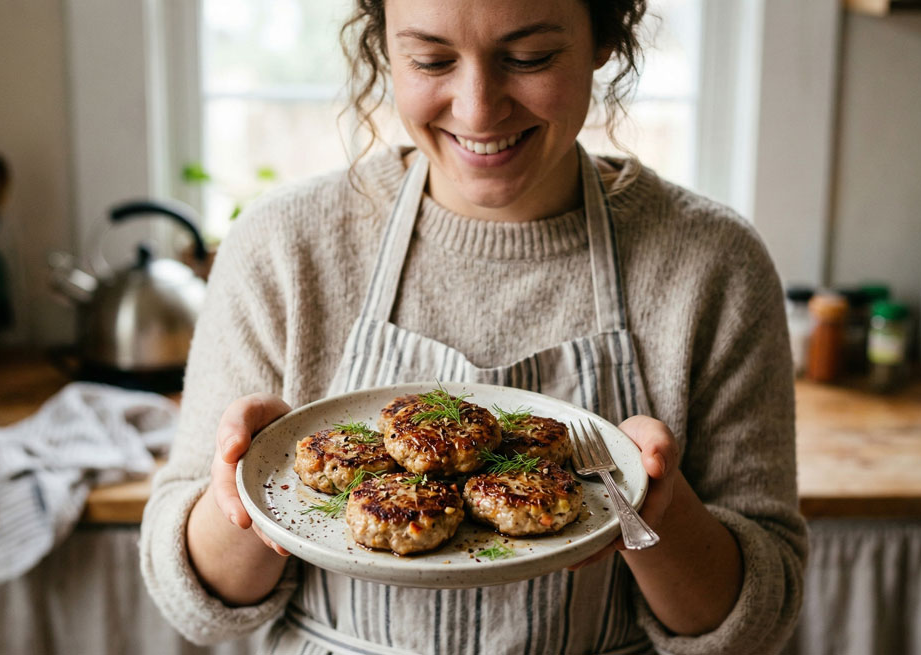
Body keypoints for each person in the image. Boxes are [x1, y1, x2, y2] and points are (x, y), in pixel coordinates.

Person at [140, 0, 807, 653]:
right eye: (431, 59)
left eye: (530, 56)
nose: (479, 107)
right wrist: (254, 481)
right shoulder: (282, 246)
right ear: (383, 48)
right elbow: (193, 605)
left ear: (603, 38)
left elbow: (757, 623)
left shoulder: (715, 262)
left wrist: (661, 506)